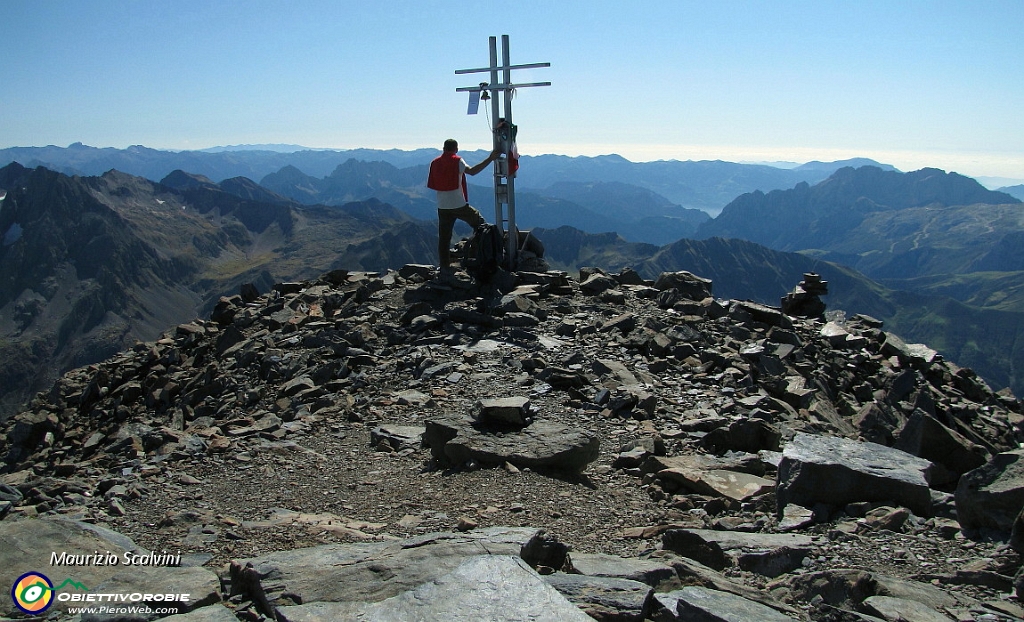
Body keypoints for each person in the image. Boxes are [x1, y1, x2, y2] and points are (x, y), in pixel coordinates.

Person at [427, 139, 500, 272]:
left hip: (442, 206)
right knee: (481, 225)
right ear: (456, 149)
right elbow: (472, 171)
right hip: (459, 205)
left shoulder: (435, 162)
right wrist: (490, 159)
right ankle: (482, 255)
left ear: (443, 148)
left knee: (444, 238)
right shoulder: (457, 161)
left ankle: (444, 266)